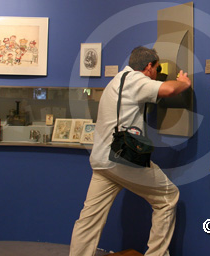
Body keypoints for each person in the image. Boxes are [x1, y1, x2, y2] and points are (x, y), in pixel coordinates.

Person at [69, 46, 191, 256]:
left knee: (89, 220)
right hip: (123, 159)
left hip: (102, 162)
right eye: (157, 68)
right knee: (168, 197)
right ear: (149, 66)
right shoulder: (135, 79)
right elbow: (169, 90)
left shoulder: (117, 81)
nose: (157, 73)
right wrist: (183, 83)